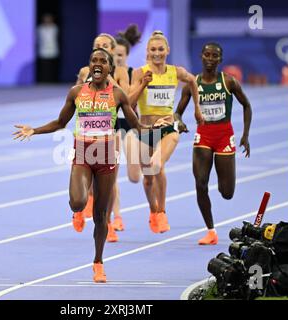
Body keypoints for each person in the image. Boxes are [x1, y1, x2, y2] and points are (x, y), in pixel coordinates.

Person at [13, 48, 169, 283]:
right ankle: (77, 211)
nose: (98, 64)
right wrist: (34, 130)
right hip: (83, 155)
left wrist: (159, 128)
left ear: (109, 68)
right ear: (90, 65)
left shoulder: (118, 95)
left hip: (106, 158)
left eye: (102, 61)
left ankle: (98, 262)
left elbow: (136, 126)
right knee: (78, 201)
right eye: (94, 60)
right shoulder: (77, 92)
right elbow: (60, 122)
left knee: (100, 216)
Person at [175, 42, 252, 245]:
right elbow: (177, 112)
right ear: (201, 56)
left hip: (225, 135)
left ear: (220, 60)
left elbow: (246, 105)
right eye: (207, 55)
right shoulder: (193, 83)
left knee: (227, 193)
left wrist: (245, 135)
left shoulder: (228, 81)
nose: (210, 59)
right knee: (200, 183)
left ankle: (223, 178)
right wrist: (179, 122)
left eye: (214, 56)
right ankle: (210, 231)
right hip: (204, 136)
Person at [129, 31, 203, 234]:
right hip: (145, 130)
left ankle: (162, 211)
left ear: (167, 50)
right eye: (153, 49)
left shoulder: (176, 72)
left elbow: (193, 81)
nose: (157, 53)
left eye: (161, 49)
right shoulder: (138, 72)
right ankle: (153, 211)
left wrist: (195, 108)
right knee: (148, 178)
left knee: (157, 164)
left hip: (168, 128)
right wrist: (143, 84)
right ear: (147, 52)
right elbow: (129, 102)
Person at [75, 33, 131, 243]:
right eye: (97, 46)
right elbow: (75, 98)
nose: (101, 48)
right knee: (86, 179)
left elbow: (127, 100)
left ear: (112, 49)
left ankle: (108, 222)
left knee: (110, 180)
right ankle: (80, 209)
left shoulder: (121, 72)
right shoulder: (84, 72)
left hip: (112, 130)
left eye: (105, 46)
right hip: (86, 132)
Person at [109, 24, 142, 233]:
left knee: (134, 176)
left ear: (127, 55)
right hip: (112, 124)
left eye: (121, 55)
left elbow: (128, 101)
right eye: (115, 54)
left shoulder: (133, 73)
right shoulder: (104, 74)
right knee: (111, 173)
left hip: (129, 124)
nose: (118, 58)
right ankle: (117, 216)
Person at [37, 13, 59, 83]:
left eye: (49, 19)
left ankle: (52, 80)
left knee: (52, 67)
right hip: (43, 50)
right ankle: (43, 80)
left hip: (52, 50)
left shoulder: (54, 27)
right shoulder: (40, 28)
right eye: (46, 19)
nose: (47, 20)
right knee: (44, 67)